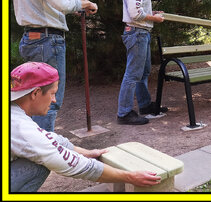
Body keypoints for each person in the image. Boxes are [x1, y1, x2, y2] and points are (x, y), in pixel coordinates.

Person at [10, 62, 162, 192]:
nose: (55, 100)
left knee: (42, 155)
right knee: (39, 164)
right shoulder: (21, 127)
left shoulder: (15, 113)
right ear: (35, 93)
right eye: (52, 93)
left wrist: (88, 152)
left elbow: (50, 139)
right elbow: (75, 165)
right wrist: (130, 177)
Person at [11, 0, 99, 132]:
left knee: (33, 102)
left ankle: (33, 150)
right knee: (48, 101)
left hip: (31, 38)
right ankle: (44, 157)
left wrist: (70, 7)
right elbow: (62, 1)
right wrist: (83, 4)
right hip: (47, 41)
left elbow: (43, 0)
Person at [117, 0, 168, 125]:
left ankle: (145, 106)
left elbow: (138, 10)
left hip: (141, 32)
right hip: (137, 33)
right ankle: (124, 113)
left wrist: (152, 14)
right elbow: (136, 13)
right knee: (132, 74)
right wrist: (155, 19)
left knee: (143, 72)